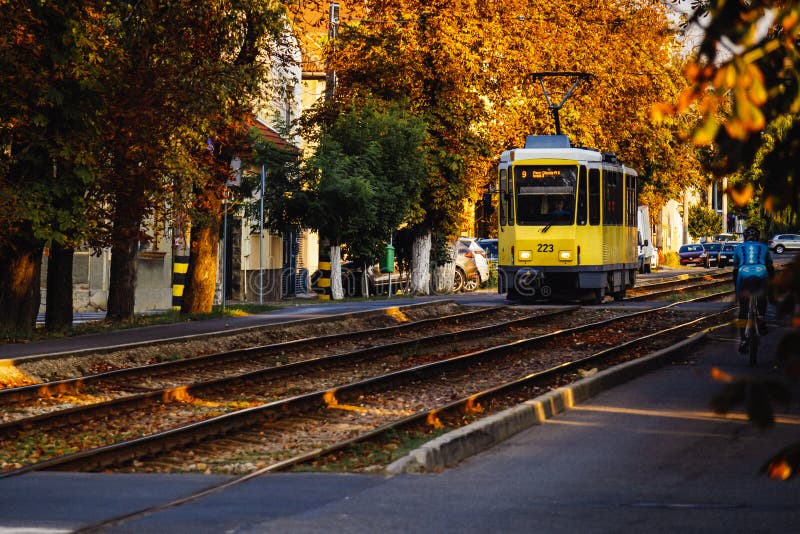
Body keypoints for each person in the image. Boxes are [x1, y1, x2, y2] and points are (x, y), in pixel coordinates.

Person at [733, 225, 774, 353]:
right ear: (758, 237)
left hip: (743, 275)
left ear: (745, 237)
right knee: (762, 296)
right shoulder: (764, 247)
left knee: (743, 310)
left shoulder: (739, 247)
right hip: (761, 273)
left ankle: (743, 339)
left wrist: (736, 290)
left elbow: (735, 271)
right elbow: (770, 268)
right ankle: (761, 316)